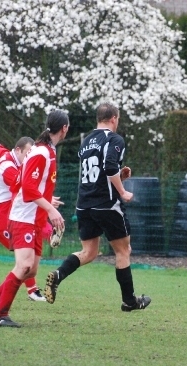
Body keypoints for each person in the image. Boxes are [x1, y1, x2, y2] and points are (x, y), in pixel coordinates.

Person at [44, 102, 151, 312]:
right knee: (123, 250)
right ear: (113, 118)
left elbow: (99, 173)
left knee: (89, 252)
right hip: (107, 205)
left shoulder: (87, 142)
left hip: (84, 204)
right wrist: (122, 191)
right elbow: (110, 166)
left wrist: (120, 176)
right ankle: (129, 301)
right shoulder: (114, 139)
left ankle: (58, 274)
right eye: (117, 119)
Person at [0, 110, 69, 327]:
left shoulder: (47, 151)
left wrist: (48, 206)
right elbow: (29, 189)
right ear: (65, 128)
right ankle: (0, 315)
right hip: (23, 217)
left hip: (35, 218)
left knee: (31, 270)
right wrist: (51, 210)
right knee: (23, 266)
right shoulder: (41, 152)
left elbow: (35, 185)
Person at [0, 136, 46, 301]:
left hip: (7, 210)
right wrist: (47, 200)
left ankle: (30, 290)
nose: (29, 157)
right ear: (18, 150)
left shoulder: (12, 157)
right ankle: (31, 291)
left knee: (27, 255)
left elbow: (1, 151)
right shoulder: (8, 167)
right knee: (25, 256)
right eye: (27, 153)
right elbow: (24, 187)